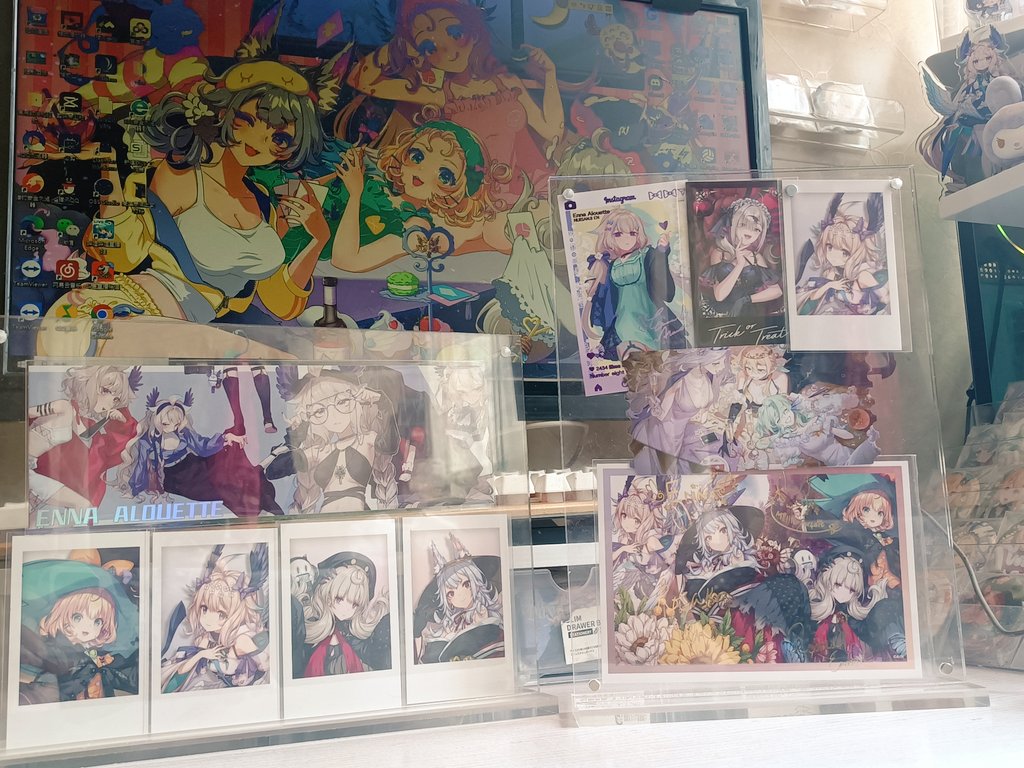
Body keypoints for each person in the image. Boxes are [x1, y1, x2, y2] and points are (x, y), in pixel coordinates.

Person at [117, 389, 282, 517]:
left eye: (175, 423)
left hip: (194, 465)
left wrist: (226, 438)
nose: (170, 426)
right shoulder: (147, 442)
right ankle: (255, 511)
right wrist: (132, 489)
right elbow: (141, 466)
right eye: (166, 422)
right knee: (223, 491)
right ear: (157, 419)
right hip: (176, 480)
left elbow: (203, 446)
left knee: (231, 472)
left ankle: (265, 503)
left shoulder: (184, 434)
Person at [19, 557, 140, 704]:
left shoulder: (104, 658)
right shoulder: (57, 655)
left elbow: (129, 678)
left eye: (97, 622)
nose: (88, 629)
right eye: (77, 617)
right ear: (59, 614)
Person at [28, 365, 141, 512]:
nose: (110, 402)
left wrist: (122, 421)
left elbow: (112, 453)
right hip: (18, 466)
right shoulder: (63, 406)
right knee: (82, 506)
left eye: (116, 399)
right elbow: (23, 415)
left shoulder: (92, 430)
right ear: (89, 384)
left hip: (33, 481)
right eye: (105, 390)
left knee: (84, 508)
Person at [161, 547, 269, 692]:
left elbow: (263, 665)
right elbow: (182, 672)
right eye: (204, 608)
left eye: (221, 614)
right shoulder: (205, 638)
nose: (208, 619)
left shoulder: (242, 640)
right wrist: (202, 654)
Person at [584, 207, 678, 360]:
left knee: (655, 354)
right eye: (618, 234)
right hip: (623, 318)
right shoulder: (611, 264)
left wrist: (662, 250)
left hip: (648, 315)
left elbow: (658, 272)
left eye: (633, 233)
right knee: (632, 358)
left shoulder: (645, 255)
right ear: (609, 237)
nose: (626, 239)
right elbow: (606, 294)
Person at [416, 533, 503, 663]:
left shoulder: (484, 615)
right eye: (451, 593)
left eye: (466, 584)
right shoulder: (449, 624)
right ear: (447, 600)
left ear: (477, 583)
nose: (460, 595)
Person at [796, 194, 888, 316]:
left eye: (845, 253)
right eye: (829, 247)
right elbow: (813, 298)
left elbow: (885, 299)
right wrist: (830, 285)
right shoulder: (831, 273)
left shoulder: (863, 275)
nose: (833, 256)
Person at [301, 553, 391, 676]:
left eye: (355, 604)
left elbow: (376, 659)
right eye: (339, 599)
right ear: (326, 592)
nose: (346, 609)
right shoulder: (311, 628)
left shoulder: (352, 635)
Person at [698, 197, 782, 318]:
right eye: (743, 225)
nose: (750, 232)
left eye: (756, 229)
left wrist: (746, 300)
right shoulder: (720, 253)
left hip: (748, 313)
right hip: (722, 315)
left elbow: (777, 291)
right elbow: (719, 296)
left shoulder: (756, 257)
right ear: (733, 225)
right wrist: (739, 265)